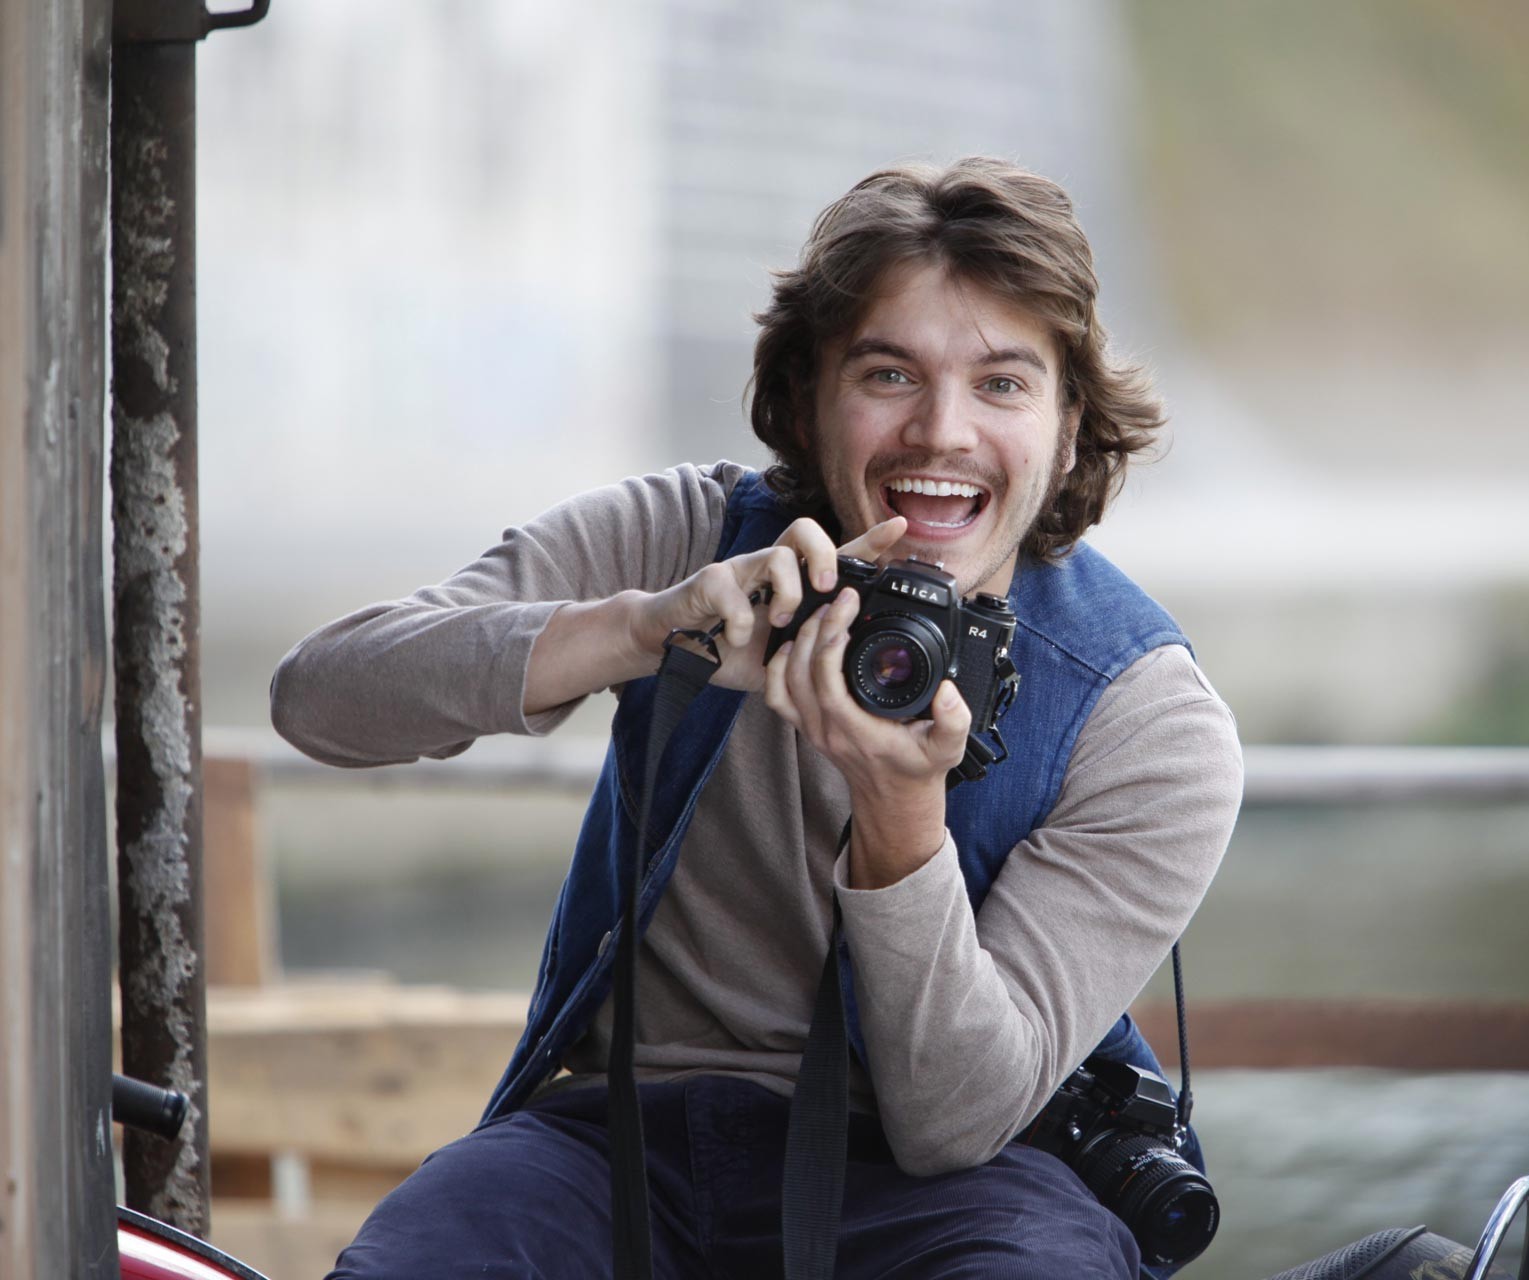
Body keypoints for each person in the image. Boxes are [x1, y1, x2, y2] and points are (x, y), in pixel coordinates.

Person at [272, 156, 1242, 1279]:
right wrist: (643, 629)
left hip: (953, 1184)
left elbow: (956, 1116)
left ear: (1070, 430)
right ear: (805, 400)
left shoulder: (1146, 716)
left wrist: (899, 820)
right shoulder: (690, 537)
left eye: (1004, 384)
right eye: (889, 373)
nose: (942, 431)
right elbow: (320, 696)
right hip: (617, 1136)